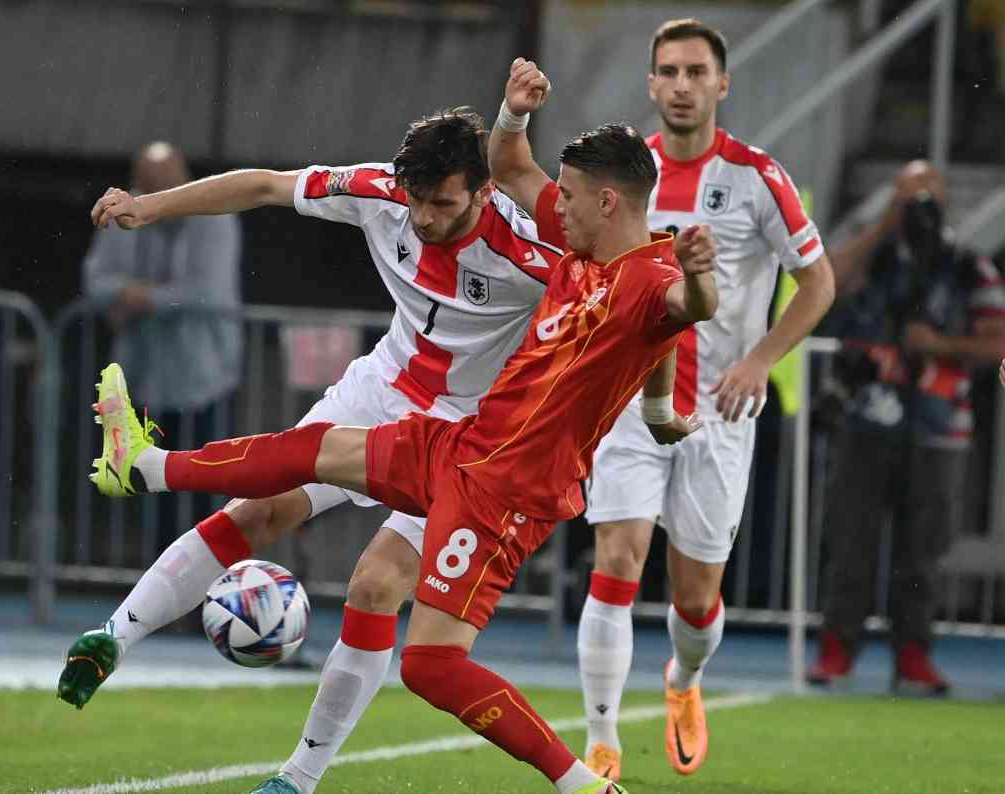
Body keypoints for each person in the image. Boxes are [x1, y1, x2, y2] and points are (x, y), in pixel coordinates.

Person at [76, 121, 719, 794]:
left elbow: (668, 312)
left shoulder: (555, 254)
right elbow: (269, 184)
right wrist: (148, 206)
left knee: (396, 615)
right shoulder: (402, 196)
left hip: (491, 460)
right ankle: (131, 541)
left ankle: (312, 777)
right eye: (417, 201)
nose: (422, 218)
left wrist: (686, 325)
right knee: (292, 473)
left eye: (443, 204)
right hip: (415, 412)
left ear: (482, 195)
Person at [488, 20, 836, 781]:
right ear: (650, 84)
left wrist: (760, 359)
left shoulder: (757, 176)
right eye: (668, 71)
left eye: (696, 71)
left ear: (721, 84)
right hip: (623, 407)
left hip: (718, 413)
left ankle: (683, 680)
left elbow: (819, 282)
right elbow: (530, 189)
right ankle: (602, 740)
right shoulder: (623, 174)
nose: (682, 84)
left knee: (696, 597)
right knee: (615, 556)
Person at [810, 160, 1005, 695]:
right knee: (849, 541)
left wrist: (938, 347)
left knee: (924, 550)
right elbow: (825, 283)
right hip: (863, 420)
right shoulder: (872, 258)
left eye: (928, 193)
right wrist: (882, 225)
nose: (918, 202)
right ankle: (835, 650)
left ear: (945, 201)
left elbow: (998, 339)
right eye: (907, 192)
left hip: (940, 428)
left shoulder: (967, 266)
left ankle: (914, 655)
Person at [82, 142, 242, 555]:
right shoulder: (123, 217)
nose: (153, 192)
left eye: (164, 183)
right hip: (145, 379)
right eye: (146, 184)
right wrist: (131, 292)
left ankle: (207, 581)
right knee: (154, 488)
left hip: (205, 377)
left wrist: (140, 299)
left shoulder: (214, 219)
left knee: (208, 488)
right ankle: (162, 581)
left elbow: (206, 290)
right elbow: (95, 280)